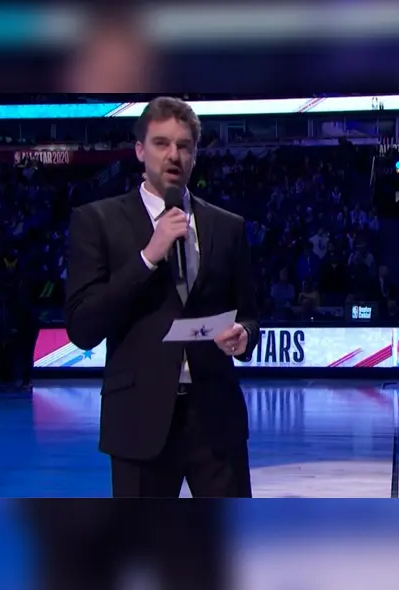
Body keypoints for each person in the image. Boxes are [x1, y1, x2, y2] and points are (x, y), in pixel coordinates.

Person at [65, 96, 259, 498]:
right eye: (161, 143)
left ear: (195, 155)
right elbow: (83, 328)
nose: (174, 155)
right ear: (139, 151)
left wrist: (244, 335)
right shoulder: (96, 221)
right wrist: (148, 256)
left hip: (215, 422)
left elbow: (252, 312)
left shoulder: (228, 226)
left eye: (184, 145)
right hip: (138, 422)